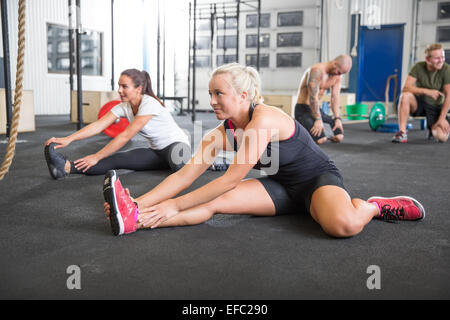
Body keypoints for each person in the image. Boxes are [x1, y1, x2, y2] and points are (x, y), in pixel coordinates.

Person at [102, 63, 425, 238]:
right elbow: (186, 175)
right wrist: (134, 203)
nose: (212, 101)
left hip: (316, 181)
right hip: (279, 187)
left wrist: (173, 205)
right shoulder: (223, 132)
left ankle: (373, 207)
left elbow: (229, 180)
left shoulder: (264, 119)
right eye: (210, 93)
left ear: (243, 95)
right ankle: (137, 221)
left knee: (344, 226)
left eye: (219, 93)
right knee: (213, 203)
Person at [44, 69, 192, 179]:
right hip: (157, 152)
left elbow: (125, 136)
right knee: (117, 159)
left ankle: (201, 164)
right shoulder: (124, 106)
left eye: (124, 86)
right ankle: (65, 168)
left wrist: (97, 156)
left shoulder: (149, 104)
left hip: (177, 146)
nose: (119, 90)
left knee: (179, 167)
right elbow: (98, 126)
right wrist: (69, 138)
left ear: (138, 89)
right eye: (119, 86)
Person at [392, 43, 450, 143]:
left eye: (442, 57)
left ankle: (433, 129)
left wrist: (441, 119)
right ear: (428, 60)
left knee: (441, 137)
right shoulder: (418, 67)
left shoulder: (446, 69)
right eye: (437, 58)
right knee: (405, 96)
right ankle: (402, 133)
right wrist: (427, 91)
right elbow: (405, 88)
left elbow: (449, 96)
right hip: (420, 104)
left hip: (436, 107)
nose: (441, 60)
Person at [294, 55, 352, 144]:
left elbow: (335, 97)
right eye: (338, 72)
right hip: (303, 109)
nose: (339, 75)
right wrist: (318, 119)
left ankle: (320, 131)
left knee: (339, 136)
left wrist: (337, 118)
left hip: (317, 110)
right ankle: (300, 129)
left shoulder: (337, 76)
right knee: (321, 139)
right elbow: (313, 97)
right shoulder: (316, 71)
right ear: (335, 63)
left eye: (341, 74)